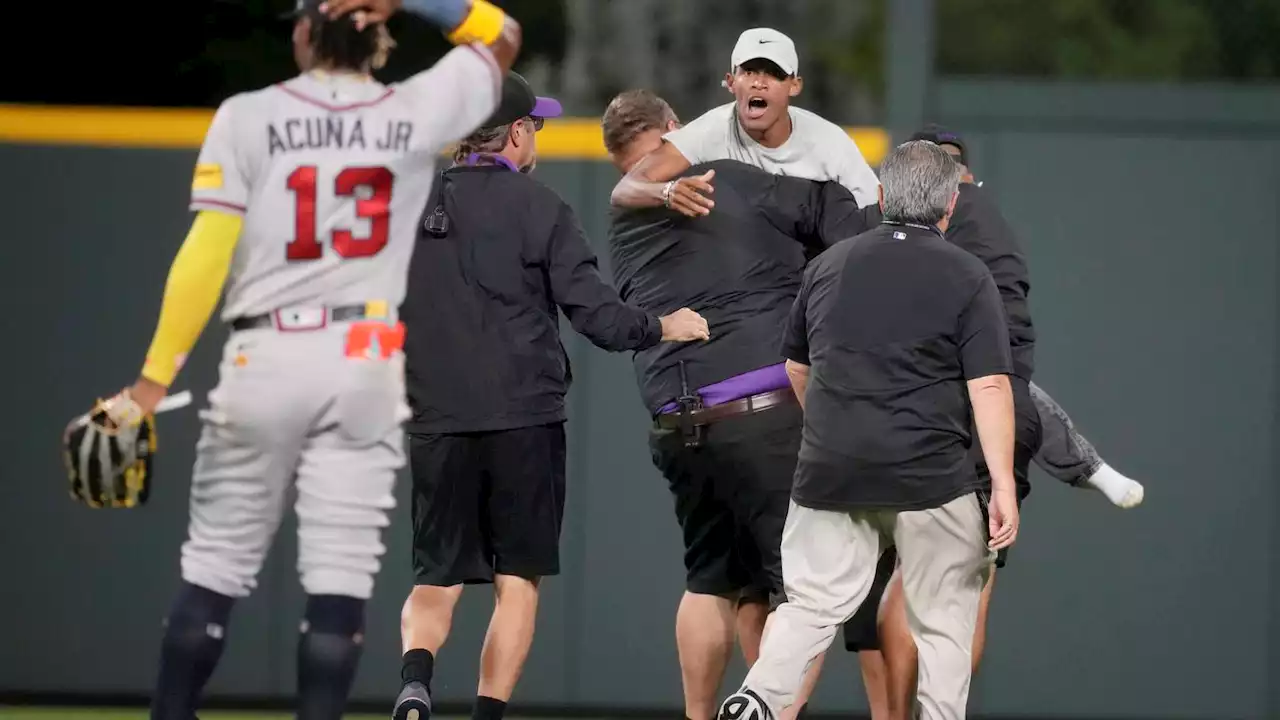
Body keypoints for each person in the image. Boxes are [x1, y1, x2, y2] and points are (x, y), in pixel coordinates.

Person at [69, 0, 521, 717]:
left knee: (214, 569)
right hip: (364, 360)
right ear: (379, 37)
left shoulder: (247, 115)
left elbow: (205, 253)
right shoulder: (414, 109)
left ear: (304, 32)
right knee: (337, 583)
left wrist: (152, 384)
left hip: (267, 352)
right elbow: (500, 36)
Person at [395, 77, 709, 720]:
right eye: (533, 125)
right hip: (524, 421)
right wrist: (662, 326)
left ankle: (414, 685)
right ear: (514, 132)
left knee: (436, 577)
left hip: (437, 418)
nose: (535, 136)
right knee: (517, 583)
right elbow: (596, 316)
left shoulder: (412, 206)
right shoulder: (541, 209)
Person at [839, 125, 1146, 720]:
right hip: (993, 419)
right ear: (962, 183)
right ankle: (1090, 467)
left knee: (886, 583)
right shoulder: (994, 227)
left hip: (889, 419)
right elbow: (1004, 377)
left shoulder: (882, 227)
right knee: (960, 591)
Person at [716, 140, 1021, 720]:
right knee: (944, 625)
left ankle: (756, 698)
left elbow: (797, 369)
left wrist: (834, 434)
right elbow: (990, 386)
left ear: (881, 197)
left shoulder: (829, 265)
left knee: (808, 607)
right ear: (949, 205)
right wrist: (1002, 487)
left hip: (831, 469)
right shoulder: (967, 272)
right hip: (931, 478)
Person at [601, 89, 874, 720]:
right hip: (761, 415)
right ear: (675, 130)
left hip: (677, 424)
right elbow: (847, 220)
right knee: (801, 592)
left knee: (713, 582)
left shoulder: (623, 220)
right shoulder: (730, 174)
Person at [609, 28, 881, 216]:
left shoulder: (829, 143)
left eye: (774, 74)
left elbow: (875, 215)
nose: (759, 83)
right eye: (749, 71)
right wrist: (667, 192)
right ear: (731, 82)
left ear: (794, 86)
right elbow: (625, 189)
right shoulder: (710, 130)